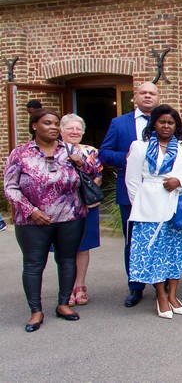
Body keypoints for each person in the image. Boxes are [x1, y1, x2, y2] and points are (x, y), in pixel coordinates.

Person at [5, 108, 90, 332]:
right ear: (34, 126)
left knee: (67, 259)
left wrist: (81, 164)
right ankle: (36, 311)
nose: (53, 128)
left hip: (70, 216)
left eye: (55, 124)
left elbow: (92, 174)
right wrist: (30, 210)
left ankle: (63, 304)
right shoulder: (20, 153)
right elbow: (10, 187)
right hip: (33, 220)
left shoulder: (69, 150)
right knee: (34, 264)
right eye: (47, 123)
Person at [126, 104, 182, 319]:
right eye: (162, 122)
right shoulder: (140, 146)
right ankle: (160, 295)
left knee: (175, 252)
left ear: (176, 125)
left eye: (171, 122)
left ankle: (174, 294)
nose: (166, 126)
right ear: (154, 123)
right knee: (154, 253)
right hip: (148, 207)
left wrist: (179, 181)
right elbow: (131, 181)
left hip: (176, 205)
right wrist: (139, 203)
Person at [99, 81, 160, 307]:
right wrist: (128, 157)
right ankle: (135, 286)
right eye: (143, 93)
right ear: (135, 97)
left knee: (158, 237)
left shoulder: (165, 121)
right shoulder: (120, 123)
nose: (147, 96)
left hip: (160, 192)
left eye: (152, 93)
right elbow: (104, 153)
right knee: (133, 240)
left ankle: (159, 282)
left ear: (158, 97)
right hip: (130, 191)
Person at [60, 113, 104, 307]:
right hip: (61, 207)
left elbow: (98, 177)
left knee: (83, 247)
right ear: (61, 130)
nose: (75, 131)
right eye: (70, 128)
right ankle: (67, 288)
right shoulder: (55, 150)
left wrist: (85, 197)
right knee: (64, 248)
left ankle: (80, 286)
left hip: (86, 206)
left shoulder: (90, 151)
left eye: (78, 128)